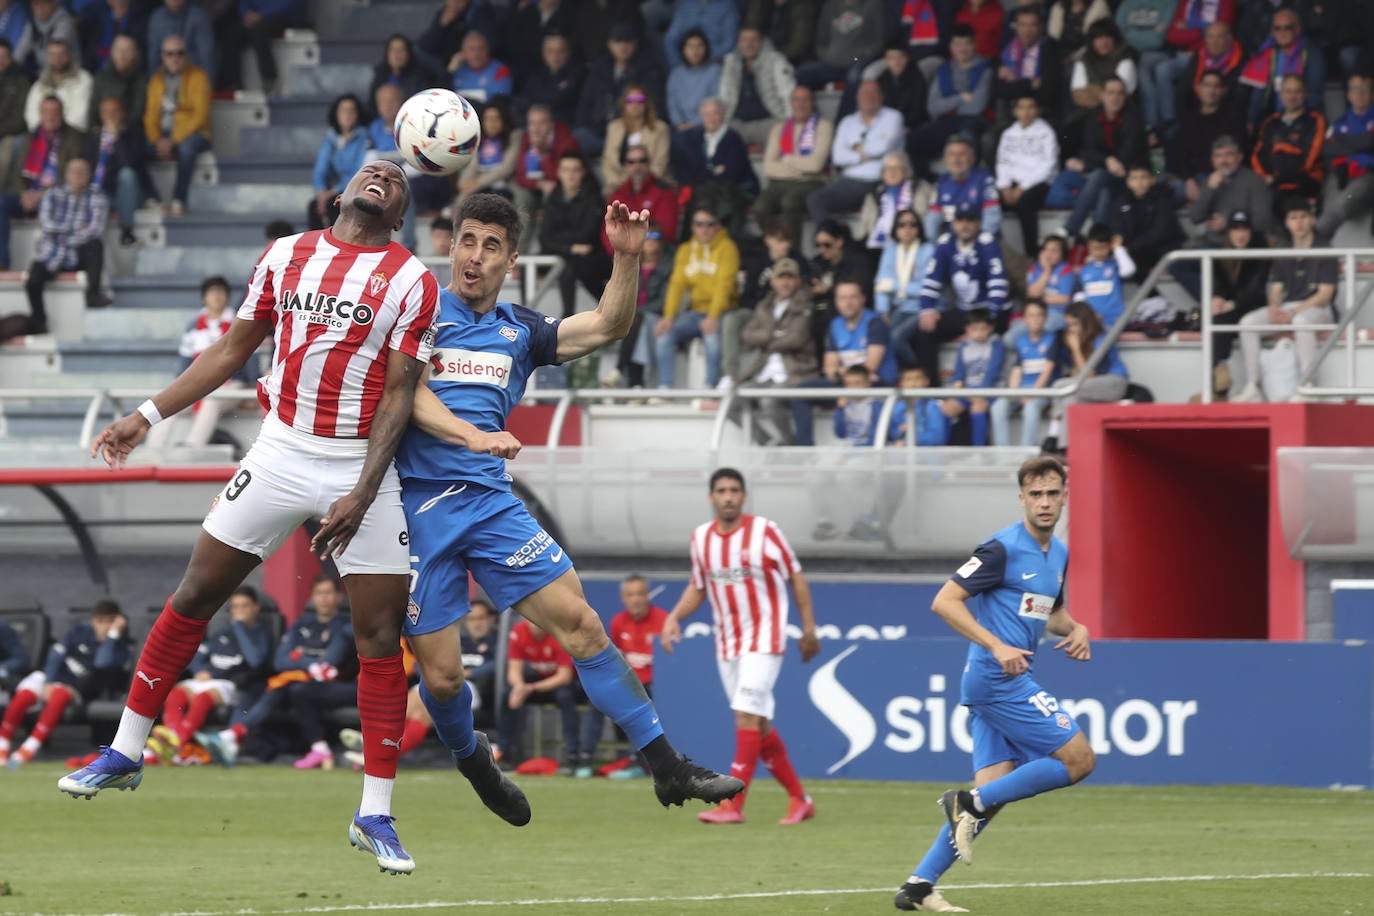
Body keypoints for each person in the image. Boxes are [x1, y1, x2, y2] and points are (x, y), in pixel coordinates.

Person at [58, 160, 440, 879]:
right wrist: (146, 416)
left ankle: (375, 813)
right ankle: (127, 749)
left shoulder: (414, 280)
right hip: (280, 452)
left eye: (396, 177)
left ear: (401, 212)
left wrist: (362, 489)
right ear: (343, 193)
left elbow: (398, 395)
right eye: (371, 169)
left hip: (359, 466)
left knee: (380, 635)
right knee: (196, 594)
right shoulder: (286, 254)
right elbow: (234, 351)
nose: (383, 174)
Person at [393, 191, 744, 813]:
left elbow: (609, 325)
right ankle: (475, 762)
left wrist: (626, 258)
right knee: (444, 678)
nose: (475, 256)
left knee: (583, 624)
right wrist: (474, 435)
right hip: (418, 511)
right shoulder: (421, 311)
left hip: (491, 505)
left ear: (513, 260)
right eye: (467, 240)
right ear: (450, 244)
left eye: (491, 246)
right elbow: (408, 397)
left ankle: (666, 764)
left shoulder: (521, 330)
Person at [892, 454, 1092, 913]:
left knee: (993, 798)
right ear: (1021, 499)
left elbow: (1049, 613)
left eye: (1052, 494)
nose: (1044, 502)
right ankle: (966, 800)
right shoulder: (1001, 549)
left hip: (1006, 679)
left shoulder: (1056, 553)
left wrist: (1076, 627)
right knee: (1079, 760)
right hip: (995, 679)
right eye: (1035, 494)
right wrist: (997, 644)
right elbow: (945, 601)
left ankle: (918, 887)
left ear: (1064, 498)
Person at [661, 467, 820, 825]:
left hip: (765, 637)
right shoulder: (701, 538)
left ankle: (732, 803)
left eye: (734, 490)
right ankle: (800, 799)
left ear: (743, 496)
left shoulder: (765, 531)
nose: (728, 496)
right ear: (711, 497)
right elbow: (698, 585)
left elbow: (795, 575)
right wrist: (674, 617)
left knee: (745, 713)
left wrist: (809, 629)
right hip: (728, 643)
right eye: (721, 490)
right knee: (758, 724)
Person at [198, 574, 354, 768]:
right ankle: (232, 737)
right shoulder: (302, 624)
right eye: (319, 593)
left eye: (328, 593)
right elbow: (280, 661)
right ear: (312, 597)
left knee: (294, 688)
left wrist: (298, 657)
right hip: (298, 685)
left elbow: (326, 666)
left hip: (333, 686)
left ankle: (232, 736)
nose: (324, 598)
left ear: (339, 597)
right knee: (272, 687)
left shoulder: (345, 627)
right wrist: (308, 663)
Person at [143, 585, 272, 765]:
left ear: (255, 608)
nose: (240, 611)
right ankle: (174, 739)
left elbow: (256, 660)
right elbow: (196, 655)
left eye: (245, 606)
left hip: (232, 684)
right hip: (207, 679)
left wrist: (241, 628)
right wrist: (199, 670)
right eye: (236, 607)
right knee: (175, 693)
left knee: (203, 697)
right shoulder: (222, 633)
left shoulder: (260, 633)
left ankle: (176, 745)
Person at [0, 600, 131, 767]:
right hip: (50, 678)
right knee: (25, 693)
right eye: (101, 621)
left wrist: (112, 636)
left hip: (77, 688)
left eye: (111, 621)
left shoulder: (119, 648)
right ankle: (2, 746)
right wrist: (49, 681)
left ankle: (27, 750)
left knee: (60, 695)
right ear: (94, 621)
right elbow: (56, 655)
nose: (105, 626)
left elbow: (102, 663)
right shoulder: (78, 632)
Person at [1233, 198, 1336, 403]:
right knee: (1248, 323)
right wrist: (1274, 307)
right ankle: (1253, 385)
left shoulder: (1325, 248)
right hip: (1291, 307)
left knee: (1302, 321)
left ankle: (1308, 385)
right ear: (1287, 222)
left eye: (1303, 217)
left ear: (1312, 219)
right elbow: (1277, 288)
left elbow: (1325, 295)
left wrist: (1292, 312)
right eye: (1293, 218)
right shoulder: (1284, 248)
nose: (1299, 223)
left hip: (1319, 308)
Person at [144, 275, 259, 449]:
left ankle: (193, 447)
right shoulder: (193, 327)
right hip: (199, 384)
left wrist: (253, 386)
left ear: (227, 296)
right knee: (168, 403)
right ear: (204, 298)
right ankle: (153, 449)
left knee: (212, 399)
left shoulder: (239, 323)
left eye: (221, 292)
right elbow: (185, 365)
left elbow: (250, 356)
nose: (217, 297)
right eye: (212, 292)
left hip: (233, 384)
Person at [575, 575, 670, 778]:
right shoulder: (618, 622)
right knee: (597, 700)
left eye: (639, 594)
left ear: (647, 596)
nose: (635, 599)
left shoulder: (663, 620)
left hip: (655, 686)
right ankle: (584, 758)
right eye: (630, 594)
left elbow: (669, 664)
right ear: (623, 598)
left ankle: (638, 761)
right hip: (627, 682)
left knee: (646, 699)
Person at [792, 278, 897, 446]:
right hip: (846, 384)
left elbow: (869, 368)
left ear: (862, 299)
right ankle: (805, 450)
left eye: (853, 297)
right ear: (836, 301)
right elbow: (829, 368)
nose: (847, 303)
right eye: (842, 298)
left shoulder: (875, 322)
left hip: (874, 384)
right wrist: (839, 372)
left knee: (865, 385)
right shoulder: (835, 324)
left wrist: (840, 371)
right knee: (800, 393)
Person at [911, 206, 1010, 379]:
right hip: (964, 311)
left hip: (991, 311)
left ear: (978, 223)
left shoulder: (987, 243)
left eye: (970, 221)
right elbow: (932, 278)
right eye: (960, 220)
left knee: (991, 328)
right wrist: (927, 308)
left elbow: (998, 283)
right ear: (953, 223)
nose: (965, 225)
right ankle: (932, 391)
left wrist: (984, 321)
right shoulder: (945, 244)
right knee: (925, 330)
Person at [654, 204, 741, 389]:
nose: (704, 229)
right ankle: (665, 388)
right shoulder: (686, 249)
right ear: (692, 226)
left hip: (722, 311)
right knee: (664, 334)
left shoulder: (728, 248)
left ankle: (710, 387)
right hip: (695, 313)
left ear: (717, 226)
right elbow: (676, 285)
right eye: (699, 224)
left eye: (709, 224)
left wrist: (713, 316)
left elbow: (724, 286)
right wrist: (668, 316)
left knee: (712, 337)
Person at [736, 256, 818, 444]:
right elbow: (747, 335)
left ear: (798, 281)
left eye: (790, 277)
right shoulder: (764, 306)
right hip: (765, 373)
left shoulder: (805, 303)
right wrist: (775, 335)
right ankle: (765, 443)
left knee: (769, 400)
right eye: (782, 277)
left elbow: (796, 339)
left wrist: (764, 340)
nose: (785, 282)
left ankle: (788, 444)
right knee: (733, 401)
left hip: (795, 372)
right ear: (773, 281)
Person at [0, 95, 83, 271]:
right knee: (2, 203)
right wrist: (24, 193)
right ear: (40, 114)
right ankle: (2, 263)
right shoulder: (32, 137)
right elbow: (17, 172)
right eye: (46, 112)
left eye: (54, 112)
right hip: (30, 195)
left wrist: (42, 194)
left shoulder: (73, 137)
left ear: (62, 114)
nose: (50, 117)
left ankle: (56, 265)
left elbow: (73, 174)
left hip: (59, 196)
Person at [24, 155, 106, 331]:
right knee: (32, 280)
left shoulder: (97, 196)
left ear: (89, 175)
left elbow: (95, 230)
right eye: (73, 171)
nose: (77, 175)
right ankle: (39, 320)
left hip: (77, 254)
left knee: (95, 245)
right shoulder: (52, 194)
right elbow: (46, 223)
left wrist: (63, 231)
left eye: (82, 171)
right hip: (51, 253)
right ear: (66, 174)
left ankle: (92, 295)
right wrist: (76, 227)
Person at [1059, 76, 1146, 241]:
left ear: (1125, 96)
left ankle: (1071, 228)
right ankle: (1098, 240)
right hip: (1105, 178)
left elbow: (1124, 161)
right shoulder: (1093, 117)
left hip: (1129, 178)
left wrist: (1091, 164)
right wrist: (1107, 160)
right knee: (1103, 191)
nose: (1115, 97)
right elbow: (1088, 151)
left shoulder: (1134, 120)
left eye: (1120, 93)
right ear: (1102, 96)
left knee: (1099, 177)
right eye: (1111, 93)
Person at [806, 79, 904, 222]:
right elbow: (838, 157)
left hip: (881, 180)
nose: (869, 97)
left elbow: (883, 147)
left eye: (873, 93)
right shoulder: (847, 122)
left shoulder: (893, 116)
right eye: (864, 93)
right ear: (857, 98)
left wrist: (855, 149)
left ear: (881, 96)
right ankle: (830, 237)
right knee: (814, 199)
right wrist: (864, 156)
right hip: (849, 182)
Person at [1039, 300, 1129, 453]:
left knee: (1060, 386)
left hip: (1114, 383)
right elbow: (1077, 376)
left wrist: (1075, 349)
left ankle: (1053, 434)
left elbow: (1090, 375)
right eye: (1069, 325)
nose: (1072, 330)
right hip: (1091, 388)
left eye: (1075, 324)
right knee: (1069, 398)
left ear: (1086, 322)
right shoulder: (1079, 340)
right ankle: (1065, 448)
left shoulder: (1100, 338)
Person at [752, 85, 834, 250]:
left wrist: (787, 159)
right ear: (791, 103)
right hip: (780, 183)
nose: (801, 104)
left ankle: (793, 252)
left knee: (790, 202)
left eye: (805, 100)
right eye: (796, 100)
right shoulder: (779, 128)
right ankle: (774, 247)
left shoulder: (823, 126)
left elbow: (815, 165)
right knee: (760, 207)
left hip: (811, 182)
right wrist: (800, 166)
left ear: (812, 103)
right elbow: (768, 167)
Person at [1199, 210, 1270, 396]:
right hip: (1233, 310)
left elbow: (1257, 290)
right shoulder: (1221, 256)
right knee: (1217, 319)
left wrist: (1234, 303)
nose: (1240, 234)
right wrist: (1216, 298)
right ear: (1229, 233)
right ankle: (1220, 380)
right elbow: (1219, 285)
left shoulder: (1261, 253)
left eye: (1244, 229)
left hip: (1254, 307)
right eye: (1235, 229)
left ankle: (1222, 386)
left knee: (1225, 319)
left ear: (1251, 232)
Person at [905, 26, 991, 171]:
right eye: (957, 44)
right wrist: (961, 97)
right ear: (951, 47)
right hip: (946, 121)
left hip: (973, 121)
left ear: (974, 45)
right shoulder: (943, 70)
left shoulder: (986, 68)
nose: (962, 48)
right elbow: (932, 107)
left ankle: (970, 185)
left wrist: (948, 103)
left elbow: (975, 107)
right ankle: (929, 182)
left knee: (965, 139)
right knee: (912, 140)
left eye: (967, 43)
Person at [144, 34, 211, 217]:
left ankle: (178, 199)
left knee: (187, 149)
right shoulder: (155, 80)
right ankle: (153, 198)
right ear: (162, 56)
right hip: (164, 135)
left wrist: (173, 140)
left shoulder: (198, 76)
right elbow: (150, 115)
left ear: (186, 55)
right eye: (169, 54)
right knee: (135, 147)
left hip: (195, 133)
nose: (175, 58)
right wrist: (157, 140)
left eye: (179, 53)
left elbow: (200, 117)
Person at [539, 152, 611, 318]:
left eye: (575, 170)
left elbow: (587, 235)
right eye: (566, 170)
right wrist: (571, 248)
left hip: (593, 257)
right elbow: (544, 238)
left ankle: (607, 310)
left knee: (573, 266)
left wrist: (559, 240)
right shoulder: (552, 199)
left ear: (583, 173)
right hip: (566, 254)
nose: (570, 175)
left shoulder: (594, 198)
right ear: (559, 172)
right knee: (527, 264)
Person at [1250, 73, 1327, 210]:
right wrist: (1267, 176)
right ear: (1281, 94)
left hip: (1305, 183)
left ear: (1305, 94)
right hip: (1274, 184)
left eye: (1297, 91)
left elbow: (1310, 158)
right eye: (1288, 91)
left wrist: (1277, 177)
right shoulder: (1270, 122)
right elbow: (1258, 155)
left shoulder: (1316, 120)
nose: (1292, 96)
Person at [511, 103, 581, 252]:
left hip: (558, 186)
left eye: (541, 123)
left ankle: (549, 248)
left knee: (553, 195)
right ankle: (519, 253)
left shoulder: (566, 140)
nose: (536, 128)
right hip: (535, 186)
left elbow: (565, 175)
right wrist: (539, 184)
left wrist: (544, 153)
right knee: (521, 198)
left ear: (551, 124)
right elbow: (521, 175)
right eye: (532, 123)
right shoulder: (526, 139)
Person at [1240, 7, 1325, 128]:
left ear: (1297, 29)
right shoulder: (1266, 53)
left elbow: (1314, 93)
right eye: (1277, 28)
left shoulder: (1311, 52)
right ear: (1272, 31)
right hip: (1272, 117)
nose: (1282, 32)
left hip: (1303, 118)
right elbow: (1259, 93)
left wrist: (1309, 123)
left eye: (1288, 27)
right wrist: (1251, 120)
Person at [995, 92, 1058, 254]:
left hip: (1039, 182)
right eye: (1021, 108)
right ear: (1015, 112)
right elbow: (1002, 162)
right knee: (991, 201)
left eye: (1031, 107)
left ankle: (1031, 254)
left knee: (1026, 203)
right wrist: (1004, 186)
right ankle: (995, 250)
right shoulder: (1008, 134)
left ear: (1038, 110)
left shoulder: (1046, 132)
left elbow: (1047, 165)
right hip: (1013, 183)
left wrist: (1022, 187)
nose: (1026, 112)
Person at [1316, 73, 1374, 244]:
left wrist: (1346, 144)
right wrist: (1365, 142)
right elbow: (1328, 148)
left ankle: (1313, 244)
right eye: (1354, 90)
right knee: (1328, 205)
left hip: (1368, 176)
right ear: (1348, 95)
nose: (1359, 94)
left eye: (1364, 90)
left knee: (1341, 205)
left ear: (1372, 94)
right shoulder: (1339, 122)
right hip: (1341, 174)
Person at [991, 299, 1058, 446]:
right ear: (1024, 319)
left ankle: (1026, 454)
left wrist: (1033, 393)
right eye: (1031, 315)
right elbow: (1017, 369)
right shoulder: (1020, 341)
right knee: (998, 407)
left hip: (1042, 391)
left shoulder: (1052, 339)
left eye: (1039, 315)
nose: (1035, 319)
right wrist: (1013, 392)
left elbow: (1047, 370)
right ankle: (1003, 454)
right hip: (1021, 389)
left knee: (1030, 409)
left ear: (1046, 318)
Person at [717, 26, 794, 148]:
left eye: (754, 40)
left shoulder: (775, 60)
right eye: (745, 40)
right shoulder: (731, 61)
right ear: (739, 43)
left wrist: (791, 122)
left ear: (762, 42)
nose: (749, 44)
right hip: (737, 123)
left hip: (770, 121)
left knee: (786, 145)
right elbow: (725, 95)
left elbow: (788, 92)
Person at [875, 209, 933, 367]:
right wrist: (883, 311)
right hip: (900, 308)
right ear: (895, 229)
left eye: (912, 224)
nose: (907, 229)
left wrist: (894, 286)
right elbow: (881, 284)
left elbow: (926, 289)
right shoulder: (891, 250)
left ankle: (915, 372)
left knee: (896, 338)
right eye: (902, 224)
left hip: (923, 309)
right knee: (881, 338)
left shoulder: (928, 250)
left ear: (919, 228)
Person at [941, 308, 1005, 446]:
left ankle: (979, 452)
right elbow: (959, 373)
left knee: (978, 408)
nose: (979, 333)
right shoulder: (964, 347)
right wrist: (957, 383)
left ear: (991, 328)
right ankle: (943, 450)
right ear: (967, 329)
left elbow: (992, 374)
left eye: (983, 329)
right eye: (974, 329)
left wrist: (980, 394)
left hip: (990, 391)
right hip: (968, 391)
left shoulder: (996, 345)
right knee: (947, 408)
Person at [1107, 163, 1182, 279]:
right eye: (1135, 178)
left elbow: (1160, 233)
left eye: (1143, 177)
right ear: (1128, 182)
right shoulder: (1120, 204)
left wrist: (1129, 248)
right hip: (1135, 253)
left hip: (1159, 252)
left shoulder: (1163, 201)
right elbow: (1116, 229)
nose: (1139, 182)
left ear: (1152, 180)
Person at [307, 94, 370, 232]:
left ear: (358, 114)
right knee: (314, 206)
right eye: (343, 110)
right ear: (336, 114)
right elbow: (321, 168)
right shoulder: (331, 137)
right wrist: (321, 191)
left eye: (351, 110)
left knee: (334, 204)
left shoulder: (365, 136)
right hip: (334, 191)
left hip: (356, 189)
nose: (347, 115)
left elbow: (360, 171)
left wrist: (333, 191)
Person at [601, 142, 679, 251]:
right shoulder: (617, 194)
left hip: (655, 257)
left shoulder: (664, 192)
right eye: (631, 162)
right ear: (625, 165)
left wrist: (634, 249)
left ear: (649, 163)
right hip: (621, 255)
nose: (637, 166)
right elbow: (608, 233)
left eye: (642, 161)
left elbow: (666, 232)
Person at [924, 135, 1002, 242]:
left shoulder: (984, 179)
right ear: (945, 159)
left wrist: (980, 242)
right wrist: (929, 243)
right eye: (952, 154)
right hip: (952, 244)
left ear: (972, 159)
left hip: (981, 241)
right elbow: (932, 219)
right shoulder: (941, 182)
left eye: (962, 154)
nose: (956, 159)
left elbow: (992, 216)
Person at [857, 151, 932, 261]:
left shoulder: (920, 188)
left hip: (910, 241)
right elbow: (864, 227)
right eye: (888, 169)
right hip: (877, 246)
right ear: (882, 173)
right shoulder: (874, 195)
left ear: (906, 172)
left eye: (897, 168)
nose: (892, 172)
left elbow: (924, 217)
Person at [601, 82, 671, 196]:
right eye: (629, 100)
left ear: (647, 103)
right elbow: (608, 162)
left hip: (651, 186)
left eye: (640, 99)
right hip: (617, 186)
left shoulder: (660, 129)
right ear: (623, 103)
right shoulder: (613, 128)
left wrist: (638, 185)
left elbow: (659, 165)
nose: (635, 104)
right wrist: (623, 184)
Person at [457, 97, 519, 204]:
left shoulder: (514, 136)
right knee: (463, 201)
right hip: (479, 185)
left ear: (504, 120)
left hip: (505, 185)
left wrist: (478, 183)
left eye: (496, 118)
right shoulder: (479, 139)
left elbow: (506, 168)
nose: (492, 123)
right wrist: (464, 181)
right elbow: (472, 166)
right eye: (488, 119)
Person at [24, 37, 92, 132]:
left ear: (69, 55)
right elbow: (31, 113)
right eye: (53, 55)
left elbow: (81, 115)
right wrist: (43, 131)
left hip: (73, 134)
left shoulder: (83, 79)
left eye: (61, 54)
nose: (57, 59)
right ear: (48, 57)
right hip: (42, 134)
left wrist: (59, 132)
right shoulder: (40, 82)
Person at [1074, 222, 1136, 327]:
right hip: (1092, 321)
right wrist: (1087, 316)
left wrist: (1118, 248)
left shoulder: (1115, 265)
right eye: (1094, 248)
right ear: (1088, 246)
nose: (1098, 252)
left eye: (1103, 248)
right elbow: (1080, 296)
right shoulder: (1085, 270)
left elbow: (1129, 270)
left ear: (1110, 245)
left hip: (1114, 321)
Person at [666, 28, 722, 144]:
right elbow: (672, 104)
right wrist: (679, 123)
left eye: (699, 46)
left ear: (706, 48)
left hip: (707, 123)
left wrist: (695, 123)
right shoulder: (676, 74)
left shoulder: (715, 71)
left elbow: (716, 101)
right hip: (680, 127)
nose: (695, 50)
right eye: (690, 46)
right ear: (683, 50)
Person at [520, 33, 584, 126]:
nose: (555, 56)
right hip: (535, 125)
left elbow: (561, 100)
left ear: (568, 53)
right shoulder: (535, 75)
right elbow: (524, 101)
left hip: (564, 125)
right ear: (543, 53)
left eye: (560, 51)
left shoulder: (578, 73)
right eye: (550, 51)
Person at [144, 0, 214, 83]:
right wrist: (154, 84)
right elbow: (153, 57)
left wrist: (207, 84)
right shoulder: (156, 18)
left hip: (193, 79)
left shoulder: (198, 16)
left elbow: (207, 56)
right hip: (165, 80)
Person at [664, 0, 739, 65]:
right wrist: (678, 64)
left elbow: (729, 42)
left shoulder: (727, 5)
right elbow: (671, 38)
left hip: (714, 61)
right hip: (686, 59)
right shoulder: (686, 4)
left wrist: (706, 58)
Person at [449, 30, 512, 105]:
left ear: (488, 50)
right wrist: (449, 72)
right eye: (472, 49)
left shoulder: (500, 70)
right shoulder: (457, 70)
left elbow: (500, 103)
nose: (477, 54)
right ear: (463, 52)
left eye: (481, 48)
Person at [371, 34, 435, 103]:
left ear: (408, 53)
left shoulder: (420, 77)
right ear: (387, 54)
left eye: (401, 49)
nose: (397, 53)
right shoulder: (380, 75)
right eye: (393, 49)